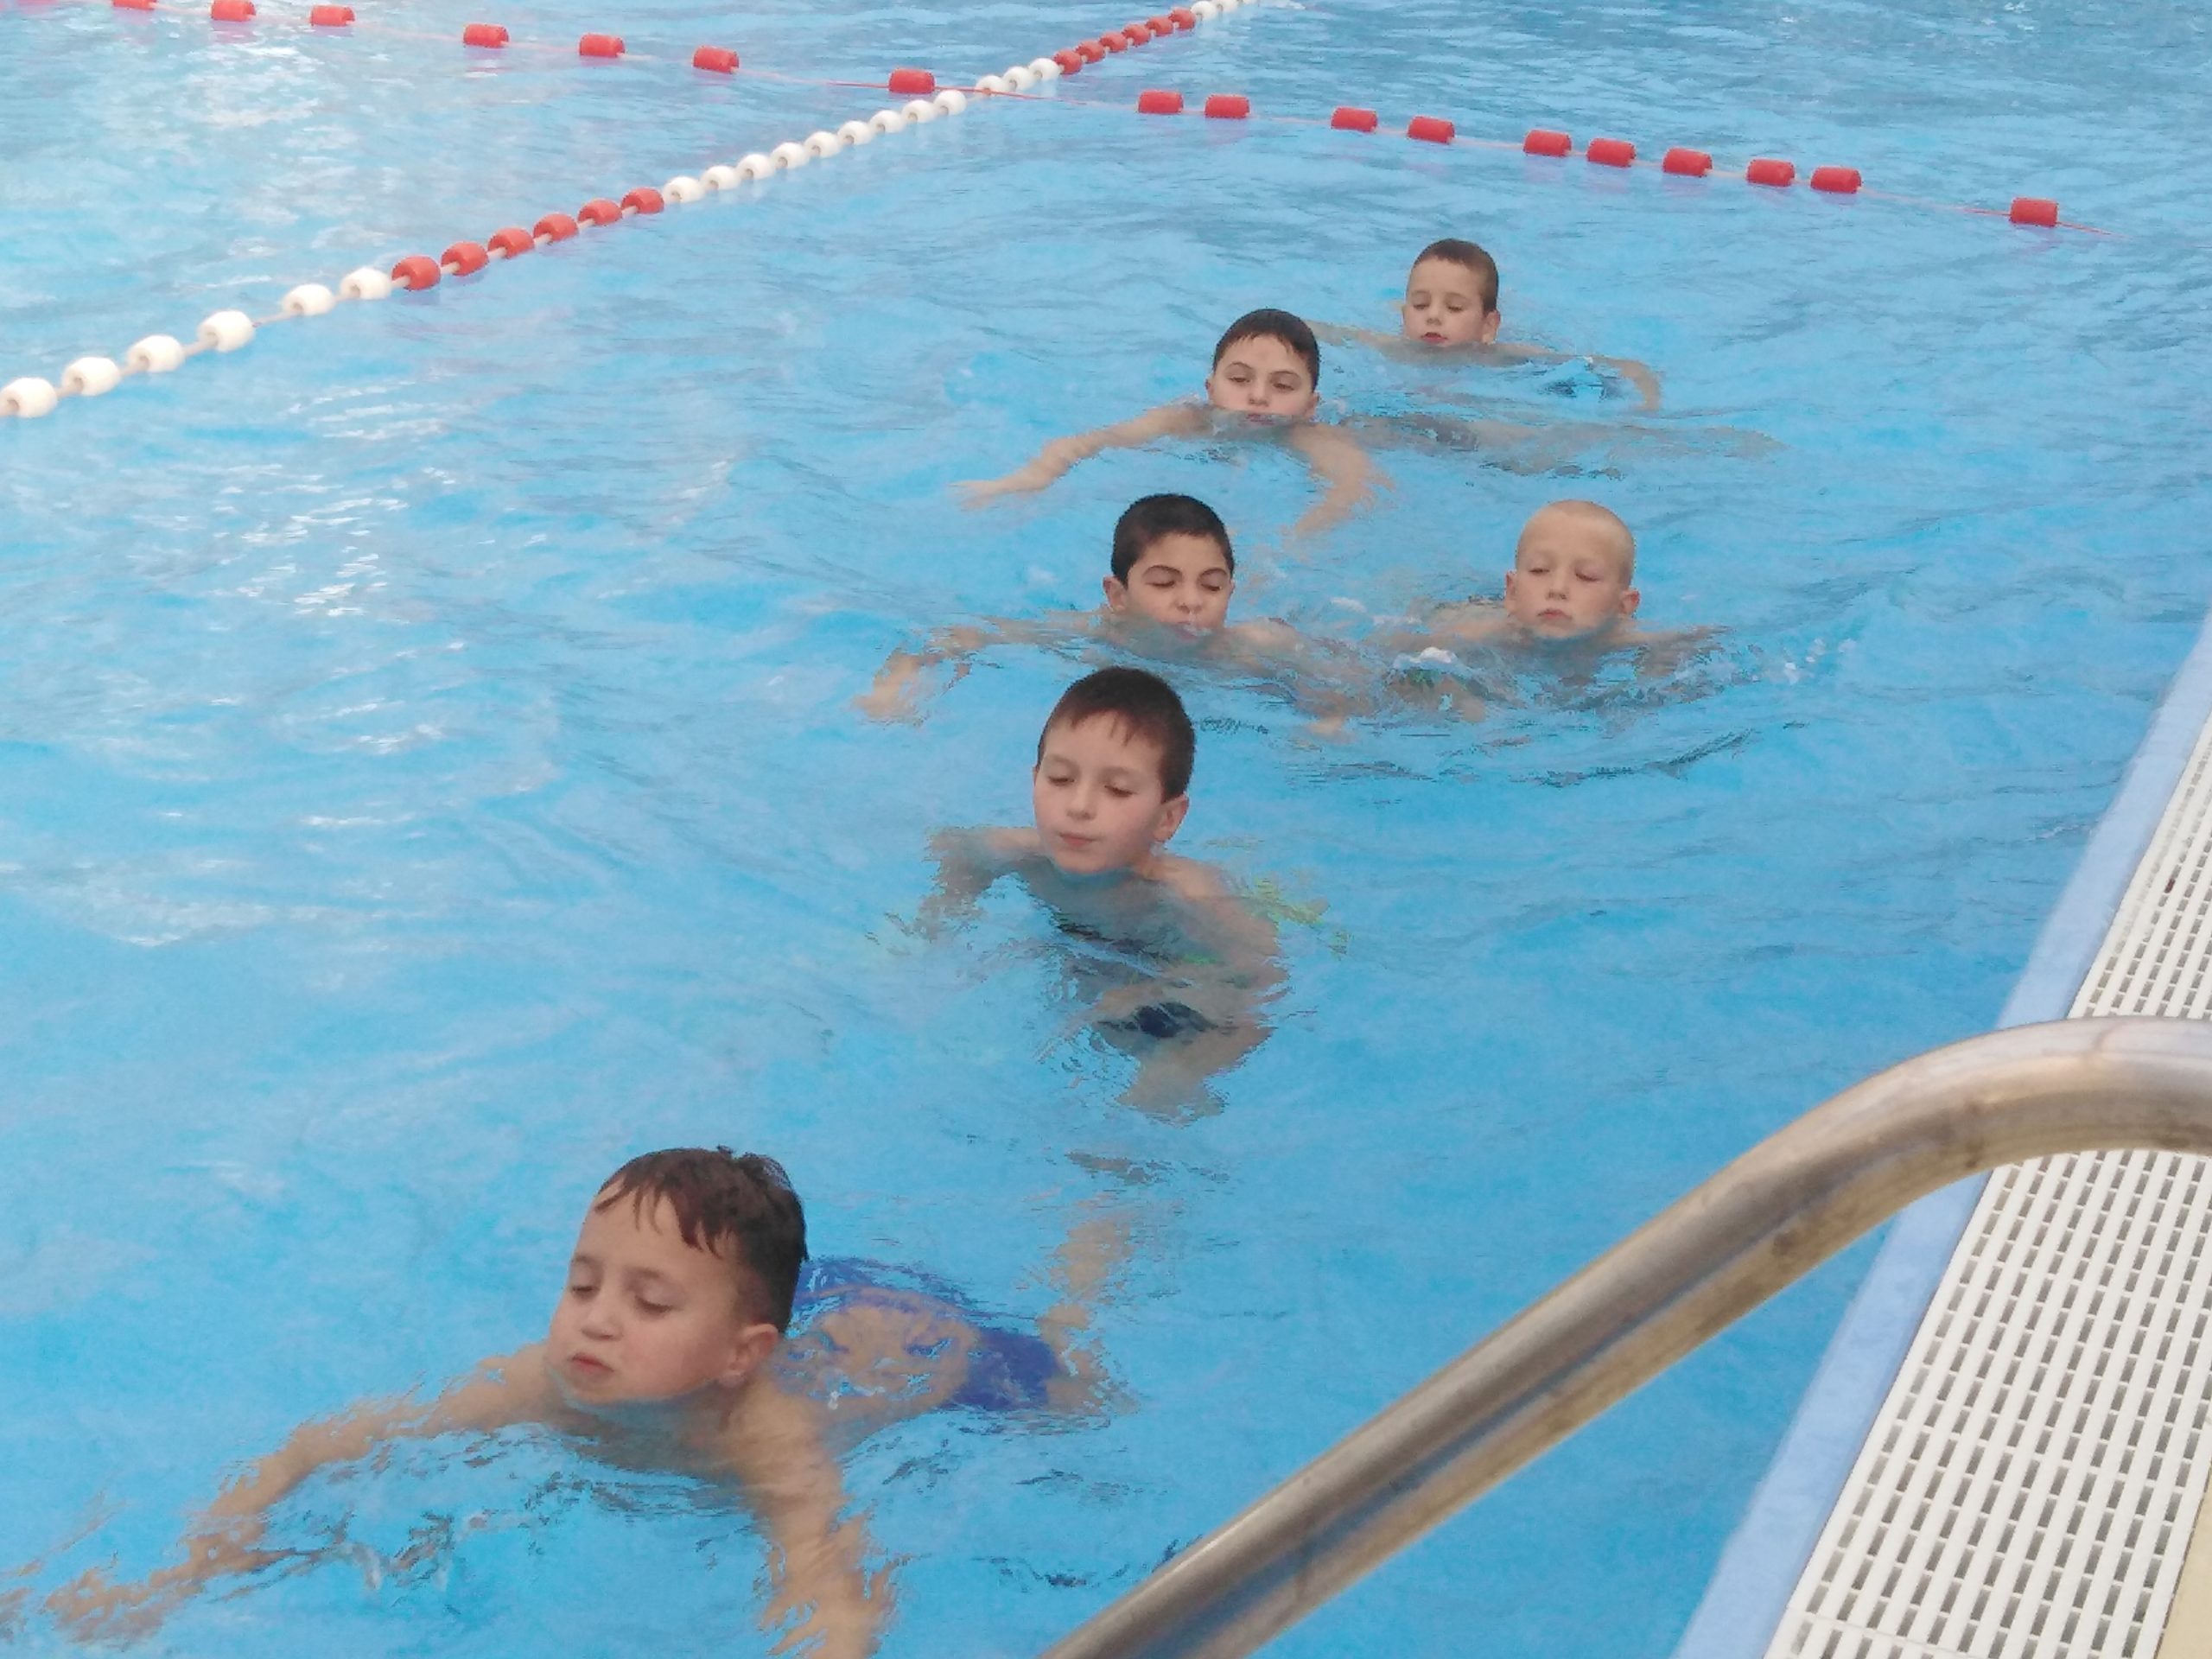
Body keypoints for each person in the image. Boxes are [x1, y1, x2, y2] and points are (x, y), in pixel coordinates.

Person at [46, 1150, 1110, 1653]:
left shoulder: (767, 1438)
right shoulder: (541, 1382)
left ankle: (1094, 1253)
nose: (595, 1322)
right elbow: (325, 1444)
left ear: (739, 1356)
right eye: (583, 1283)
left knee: (1074, 1385)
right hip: (794, 1304)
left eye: (646, 1303)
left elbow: (828, 1589)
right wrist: (194, 1564)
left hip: (931, 1351)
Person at [920, 667, 1283, 1113]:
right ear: (1034, 780)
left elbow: (1264, 984)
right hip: (1096, 966)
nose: (1079, 806)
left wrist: (1178, 1060)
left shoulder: (1190, 898)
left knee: (1156, 1099)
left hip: (1176, 980)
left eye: (1117, 790)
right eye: (1060, 779)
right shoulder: (1021, 857)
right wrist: (940, 919)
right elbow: (955, 851)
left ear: (1167, 818)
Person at [859, 493, 1365, 730]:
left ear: (1231, 593)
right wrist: (895, 686)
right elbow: (957, 636)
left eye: (1211, 586)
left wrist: (1331, 719)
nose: (1191, 600)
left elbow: (1351, 684)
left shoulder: (1255, 647)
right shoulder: (1091, 638)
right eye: (1164, 583)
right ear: (1117, 595)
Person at [957, 310, 1382, 537]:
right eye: (1239, 380)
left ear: (1310, 406)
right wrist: (1030, 478)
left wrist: (1294, 539)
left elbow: (1354, 490)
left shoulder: (1313, 437)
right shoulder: (1186, 418)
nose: (1258, 396)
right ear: (1210, 389)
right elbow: (1092, 441)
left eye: (1283, 386)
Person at [1317, 238, 1664, 410]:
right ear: (1404, 315)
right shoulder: (1389, 348)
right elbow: (1324, 333)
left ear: (1488, 326)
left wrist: (1646, 406)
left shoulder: (1506, 358)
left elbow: (1630, 369)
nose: (1433, 316)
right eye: (1420, 305)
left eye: (1454, 308)